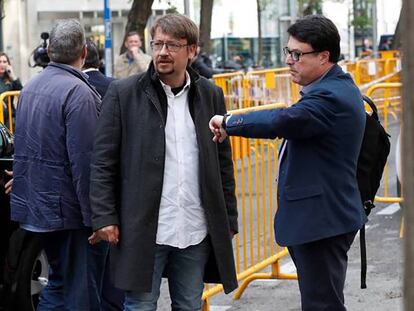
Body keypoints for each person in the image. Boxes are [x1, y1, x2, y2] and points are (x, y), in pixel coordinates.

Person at [209, 15, 366, 311]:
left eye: (298, 54)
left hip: (322, 221)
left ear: (324, 56)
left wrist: (229, 122)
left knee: (322, 305)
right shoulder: (331, 87)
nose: (289, 61)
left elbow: (283, 120)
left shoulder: (330, 96)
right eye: (287, 52)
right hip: (321, 216)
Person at [89, 13, 238, 310]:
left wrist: (229, 218)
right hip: (143, 228)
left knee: (189, 305)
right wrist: (105, 216)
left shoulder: (210, 95)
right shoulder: (124, 93)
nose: (162, 52)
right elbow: (103, 161)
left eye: (172, 45)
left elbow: (222, 162)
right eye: (157, 44)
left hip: (194, 227)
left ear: (192, 51)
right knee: (141, 305)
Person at [10, 19, 106, 310]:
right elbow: (85, 162)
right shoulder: (78, 93)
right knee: (80, 290)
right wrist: (96, 218)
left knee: (61, 284)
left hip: (39, 207)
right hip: (70, 212)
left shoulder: (29, 88)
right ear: (84, 53)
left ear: (49, 50)